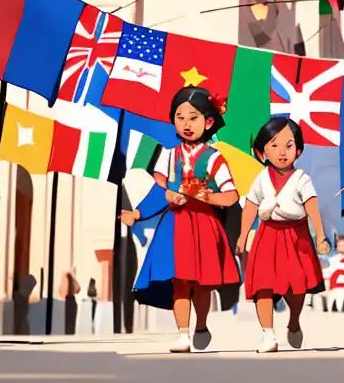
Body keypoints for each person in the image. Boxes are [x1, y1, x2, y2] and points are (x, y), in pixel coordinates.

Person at [120, 87, 241, 353]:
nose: (186, 124)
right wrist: (138, 213)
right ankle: (182, 333)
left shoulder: (214, 158)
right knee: (179, 280)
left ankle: (201, 325)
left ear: (208, 122)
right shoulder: (168, 155)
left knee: (202, 283)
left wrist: (204, 195)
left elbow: (231, 196)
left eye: (193, 117)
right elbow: (158, 191)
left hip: (203, 225)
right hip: (174, 226)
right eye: (180, 117)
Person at [236, 117, 331, 353]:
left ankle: (294, 320)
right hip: (267, 236)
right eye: (274, 145)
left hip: (295, 236)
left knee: (296, 288)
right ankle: (268, 334)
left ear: (298, 150)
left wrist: (320, 235)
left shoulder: (302, 179)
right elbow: (250, 206)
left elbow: (311, 207)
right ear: (262, 152)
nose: (281, 152)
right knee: (263, 287)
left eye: (288, 146)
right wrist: (242, 235)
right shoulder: (261, 178)